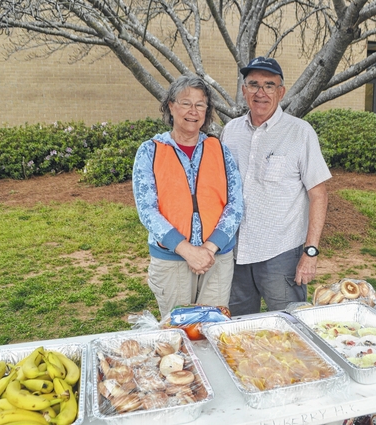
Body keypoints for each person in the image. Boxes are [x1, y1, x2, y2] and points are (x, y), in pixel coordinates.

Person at [221, 57, 331, 316]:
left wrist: (310, 253)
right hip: (235, 253)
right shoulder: (230, 132)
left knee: (292, 329)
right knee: (239, 331)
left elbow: (319, 195)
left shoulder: (300, 132)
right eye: (254, 84)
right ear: (244, 90)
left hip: (281, 255)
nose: (261, 93)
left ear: (281, 92)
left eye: (269, 85)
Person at [132, 75, 243, 319]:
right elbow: (147, 209)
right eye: (185, 103)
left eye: (200, 104)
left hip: (216, 259)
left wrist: (209, 248)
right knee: (178, 334)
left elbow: (235, 204)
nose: (193, 111)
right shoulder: (150, 151)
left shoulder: (220, 150)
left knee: (212, 329)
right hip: (172, 260)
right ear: (171, 106)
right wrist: (187, 250)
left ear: (207, 110)